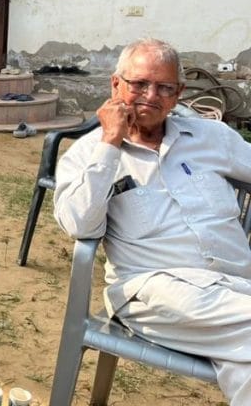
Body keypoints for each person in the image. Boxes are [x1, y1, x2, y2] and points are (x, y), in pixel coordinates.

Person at [55, 38, 251, 404]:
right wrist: (110, 144)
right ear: (116, 85)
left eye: (164, 87)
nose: (151, 95)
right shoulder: (88, 154)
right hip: (152, 292)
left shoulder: (213, 138)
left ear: (179, 94)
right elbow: (79, 224)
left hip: (236, 290)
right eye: (139, 84)